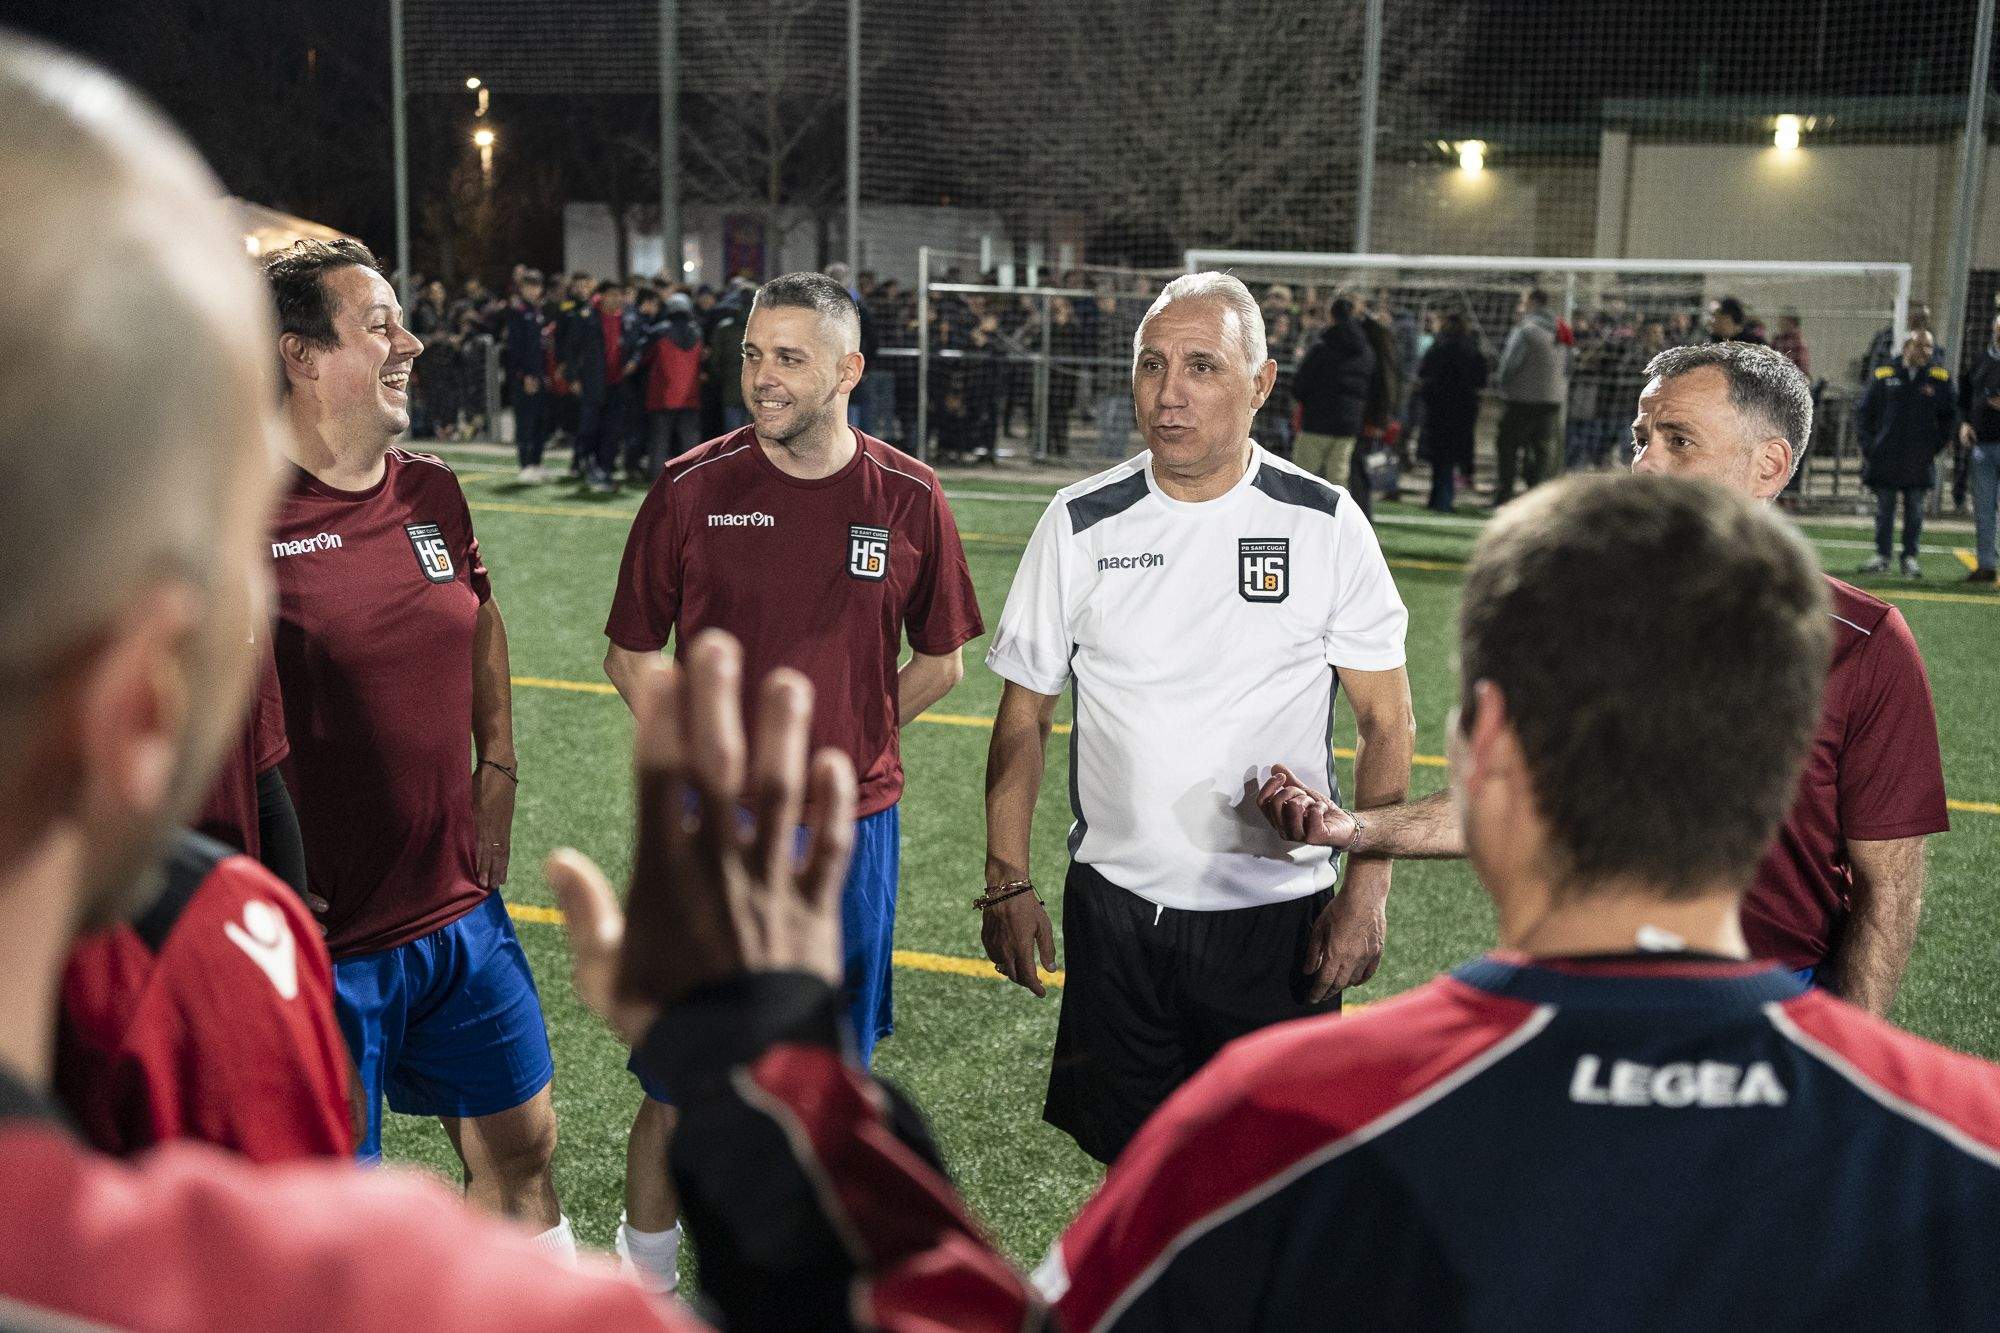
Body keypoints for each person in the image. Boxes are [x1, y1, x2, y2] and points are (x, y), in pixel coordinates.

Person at [1258, 342, 1947, 1016]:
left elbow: (1886, 891)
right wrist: (1357, 827)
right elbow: (1529, 799)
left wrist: (1843, 1056)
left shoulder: (1864, 646)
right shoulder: (1582, 614)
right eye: (1641, 437)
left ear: (1768, 466)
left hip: (1772, 1013)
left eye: (1679, 441)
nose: (1643, 464)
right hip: (1586, 998)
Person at [602, 271, 983, 1290]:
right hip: (712, 835)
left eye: (788, 358)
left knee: (831, 1079)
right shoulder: (690, 483)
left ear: (848, 370)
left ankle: (812, 1295)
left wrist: (840, 748)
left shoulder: (907, 495)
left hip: (854, 835)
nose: (761, 379)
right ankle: (643, 1291)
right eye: (752, 356)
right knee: (681, 1078)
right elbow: (632, 653)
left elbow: (942, 659)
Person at [980, 272, 1415, 1165]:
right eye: (1151, 364)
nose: (1168, 392)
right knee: (1129, 1173)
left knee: (1269, 1178)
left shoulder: (1325, 522)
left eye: (1202, 367)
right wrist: (1006, 875)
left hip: (1279, 920)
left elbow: (1387, 724)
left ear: (1260, 385)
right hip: (1115, 916)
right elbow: (1023, 714)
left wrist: (1365, 893)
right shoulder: (1079, 521)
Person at [264, 239, 571, 1252]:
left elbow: (478, 615)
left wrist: (500, 764)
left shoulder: (431, 491)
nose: (412, 341)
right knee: (334, 1236)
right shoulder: (231, 512)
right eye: (379, 324)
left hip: (457, 909)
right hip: (322, 947)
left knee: (524, 1153)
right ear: (300, 356)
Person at [1857, 329, 1956, 578]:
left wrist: (1935, 445)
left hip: (1919, 459)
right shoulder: (1884, 375)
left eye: (1929, 348)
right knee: (1885, 510)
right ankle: (1882, 556)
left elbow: (1949, 417)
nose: (1924, 352)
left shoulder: (1939, 379)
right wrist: (1870, 446)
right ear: (1906, 348)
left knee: (1915, 510)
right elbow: (1864, 413)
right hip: (1886, 458)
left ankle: (1910, 557)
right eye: (1919, 346)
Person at [1289, 294, 1374, 492]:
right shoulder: (1366, 351)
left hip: (1317, 421)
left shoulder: (1322, 348)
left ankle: (1296, 518)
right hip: (1349, 423)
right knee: (1339, 479)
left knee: (1301, 477)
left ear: (1332, 316)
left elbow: (1301, 384)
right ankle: (1337, 520)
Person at [560, 278, 636, 492]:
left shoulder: (628, 318)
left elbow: (637, 343)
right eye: (612, 294)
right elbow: (571, 349)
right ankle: (585, 463)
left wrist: (634, 361)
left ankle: (604, 468)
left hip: (618, 384)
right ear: (601, 296)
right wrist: (573, 377)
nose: (616, 299)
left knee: (612, 429)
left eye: (619, 294)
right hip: (593, 382)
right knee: (590, 427)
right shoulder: (586, 317)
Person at [1493, 288, 1566, 503]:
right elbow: (1569, 366)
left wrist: (1502, 386)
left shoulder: (1526, 330)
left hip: (1521, 400)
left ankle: (1504, 495)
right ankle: (1538, 498)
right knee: (1541, 451)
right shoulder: (1562, 330)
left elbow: (1509, 366)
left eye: (1522, 301)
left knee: (1507, 447)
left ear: (1532, 302)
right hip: (1552, 401)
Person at [1414, 310, 1487, 511]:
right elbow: (1481, 379)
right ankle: (1444, 499)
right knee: (1451, 457)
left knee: (1440, 459)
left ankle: (1439, 499)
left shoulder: (1438, 347)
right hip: (1462, 410)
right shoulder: (1471, 349)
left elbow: (1424, 373)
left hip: (1439, 409)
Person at [1958, 311, 2000, 582]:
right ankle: (1986, 564)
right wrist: (1964, 423)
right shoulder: (1981, 360)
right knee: (1984, 508)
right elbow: (1964, 396)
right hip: (1982, 446)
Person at [642, 291, 704, 473]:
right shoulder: (697, 333)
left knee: (660, 442)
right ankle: (690, 480)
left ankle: (656, 482)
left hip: (663, 396)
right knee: (690, 444)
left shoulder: (659, 332)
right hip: (690, 396)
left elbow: (645, 359)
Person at [503, 269, 550, 482]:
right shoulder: (518, 312)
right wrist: (524, 376)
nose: (533, 290)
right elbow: (515, 349)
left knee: (541, 420)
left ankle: (537, 463)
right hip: (524, 377)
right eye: (529, 286)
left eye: (537, 286)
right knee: (525, 422)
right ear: (522, 288)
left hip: (539, 375)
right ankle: (525, 465)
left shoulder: (538, 311)